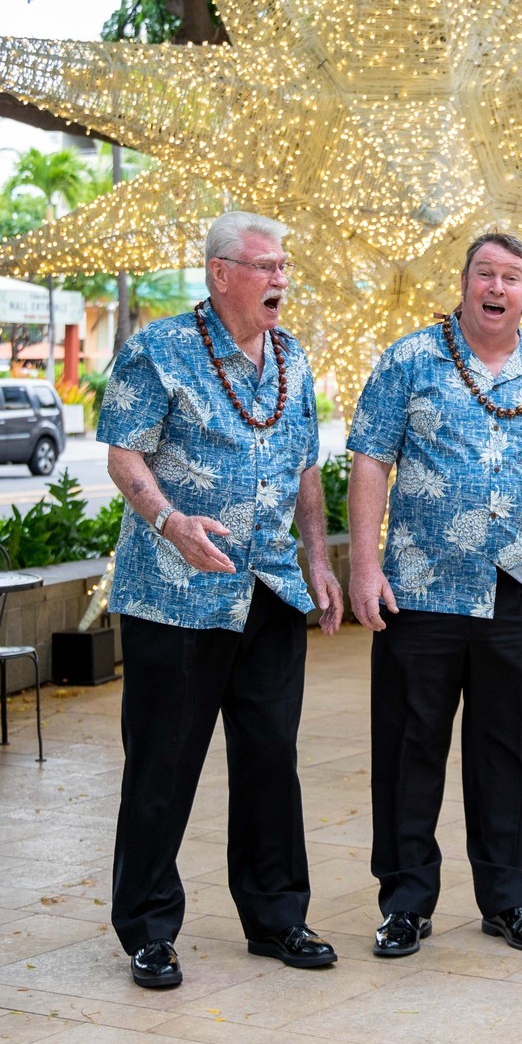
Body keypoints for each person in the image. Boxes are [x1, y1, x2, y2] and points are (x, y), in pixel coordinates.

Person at [347, 233, 522, 959]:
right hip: (419, 588)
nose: (497, 286)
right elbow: (370, 460)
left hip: (515, 591)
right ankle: (405, 903)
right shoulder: (409, 359)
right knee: (409, 750)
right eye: (485, 273)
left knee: (514, 753)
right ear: (464, 283)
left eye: (512, 277)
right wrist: (364, 564)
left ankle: (507, 898)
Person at [98, 211, 344, 989]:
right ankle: (146, 929)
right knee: (163, 765)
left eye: (284, 264)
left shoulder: (293, 358)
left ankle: (277, 917)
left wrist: (318, 556)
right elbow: (122, 452)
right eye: (264, 265)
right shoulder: (159, 350)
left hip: (270, 587)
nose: (280, 279)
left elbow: (307, 464)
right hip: (178, 593)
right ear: (219, 273)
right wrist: (170, 522)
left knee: (272, 758)